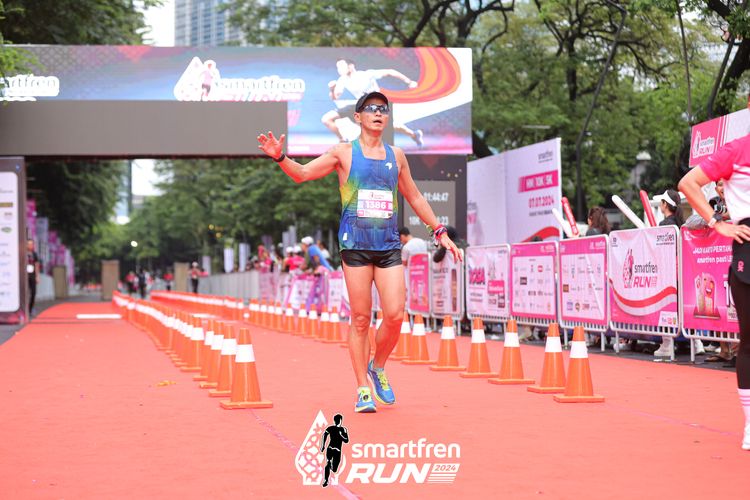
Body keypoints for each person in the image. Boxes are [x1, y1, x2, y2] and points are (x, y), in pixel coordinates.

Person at [258, 91, 461, 413]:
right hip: (355, 246)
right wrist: (280, 157)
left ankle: (377, 367)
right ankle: (363, 389)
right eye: (371, 109)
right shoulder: (343, 152)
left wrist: (440, 231)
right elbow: (303, 174)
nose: (378, 113)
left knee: (395, 315)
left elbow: (415, 197)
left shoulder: (397, 155)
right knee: (362, 318)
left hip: (388, 246)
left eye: (383, 109)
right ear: (358, 117)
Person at [678, 129, 750, 451]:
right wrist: (717, 223)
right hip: (748, 247)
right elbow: (688, 183)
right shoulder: (736, 150)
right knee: (749, 342)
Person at [321, 58, 424, 146]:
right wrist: (332, 89)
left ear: (351, 66)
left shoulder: (367, 74)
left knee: (390, 126)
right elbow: (335, 97)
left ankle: (414, 135)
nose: (339, 69)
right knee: (327, 119)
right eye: (338, 67)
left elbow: (390, 71)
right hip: (360, 105)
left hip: (375, 105)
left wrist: (409, 82)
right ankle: (343, 140)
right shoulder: (342, 80)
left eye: (341, 66)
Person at [301, 236, 333, 314]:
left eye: (302, 244)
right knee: (319, 291)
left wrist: (316, 270)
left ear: (306, 244)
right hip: (322, 271)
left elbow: (317, 260)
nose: (301, 246)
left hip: (324, 271)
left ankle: (321, 309)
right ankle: (317, 308)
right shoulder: (312, 249)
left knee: (321, 291)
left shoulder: (311, 249)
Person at [319, 414, 349, 488]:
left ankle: (327, 474)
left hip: (333, 450)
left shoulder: (337, 429)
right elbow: (346, 440)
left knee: (332, 467)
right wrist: (323, 445)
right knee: (331, 465)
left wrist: (323, 445)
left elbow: (324, 435)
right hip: (334, 450)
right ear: (340, 421)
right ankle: (326, 479)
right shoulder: (337, 429)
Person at [26, 239, 40, 316]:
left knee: (33, 292)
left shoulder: (34, 254)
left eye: (31, 244)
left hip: (32, 276)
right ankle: (25, 309)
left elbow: (37, 265)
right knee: (25, 293)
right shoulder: (23, 253)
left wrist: (37, 276)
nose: (30, 245)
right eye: (28, 244)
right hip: (25, 276)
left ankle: (30, 309)